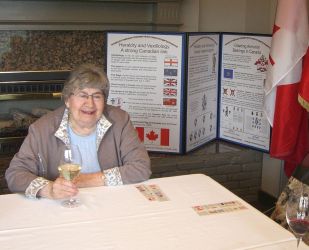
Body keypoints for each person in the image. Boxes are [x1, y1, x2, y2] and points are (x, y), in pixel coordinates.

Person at [5, 64, 151, 200]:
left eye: (97, 96)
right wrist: (49, 190)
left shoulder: (120, 121)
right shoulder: (42, 128)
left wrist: (85, 180)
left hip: (111, 201)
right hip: (61, 204)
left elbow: (141, 167)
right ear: (68, 100)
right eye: (82, 95)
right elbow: (15, 174)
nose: (90, 103)